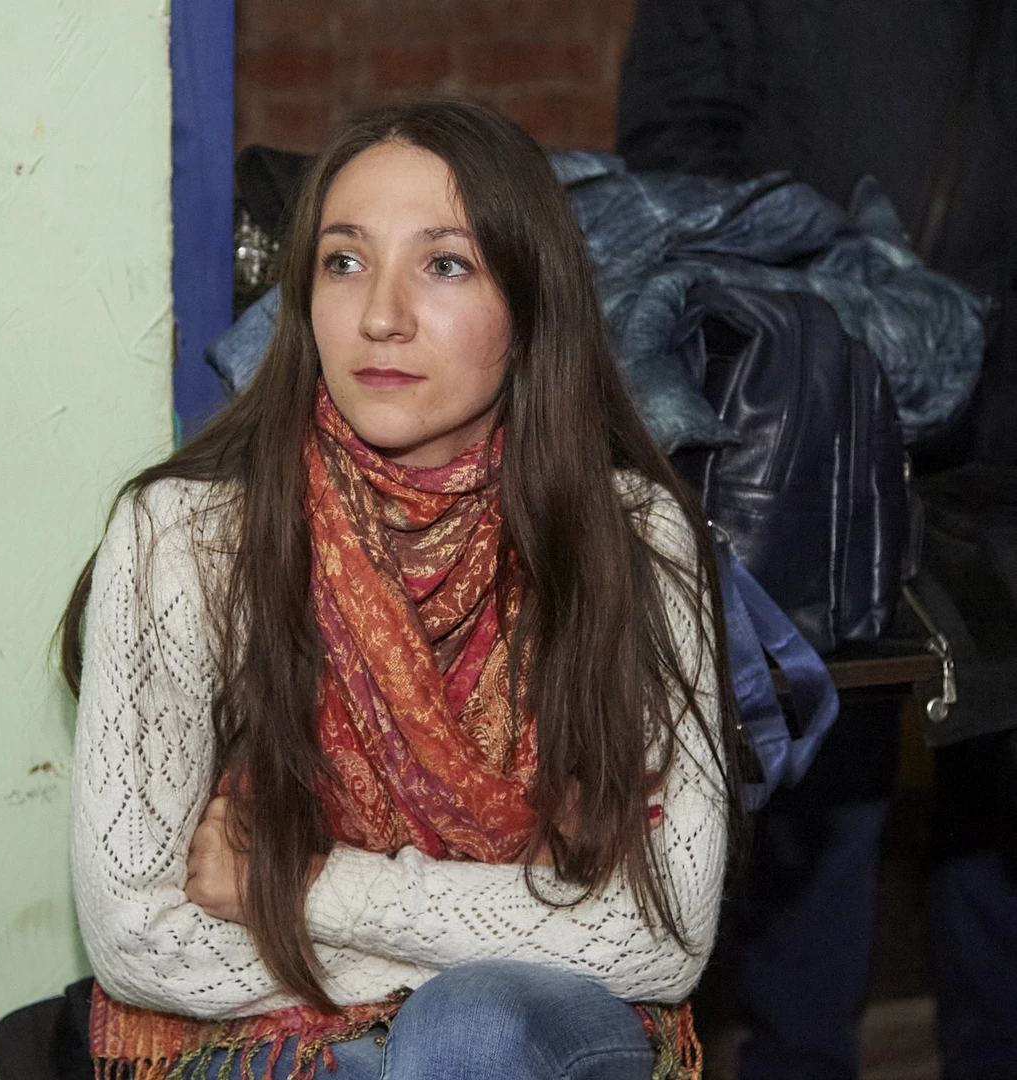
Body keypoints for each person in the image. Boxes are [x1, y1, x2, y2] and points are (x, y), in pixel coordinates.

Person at [60, 100, 743, 1080]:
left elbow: (660, 938)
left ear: (531, 303)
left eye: (445, 265)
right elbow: (139, 938)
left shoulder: (630, 537)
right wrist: (498, 927)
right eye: (343, 261)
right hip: (260, 1045)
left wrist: (308, 889)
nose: (381, 315)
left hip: (519, 1035)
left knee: (469, 1031)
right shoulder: (186, 536)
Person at [618, 5, 1017, 1078]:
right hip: (814, 413)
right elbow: (675, 156)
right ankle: (798, 1057)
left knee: (998, 768)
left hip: (1000, 422)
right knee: (818, 755)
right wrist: (821, 289)